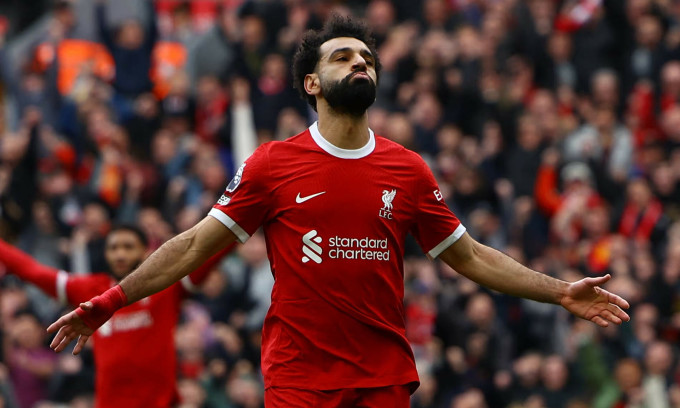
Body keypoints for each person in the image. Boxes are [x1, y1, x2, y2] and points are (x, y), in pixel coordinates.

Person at [48, 15, 630, 408]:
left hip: (382, 376)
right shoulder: (272, 164)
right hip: (299, 378)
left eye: (368, 58)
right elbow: (195, 244)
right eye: (345, 56)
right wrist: (108, 301)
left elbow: (472, 257)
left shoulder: (409, 169)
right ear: (312, 83)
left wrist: (559, 292)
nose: (361, 64)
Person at [0, 225, 231, 408]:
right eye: (113, 248)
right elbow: (32, 270)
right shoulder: (91, 289)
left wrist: (246, 218)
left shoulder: (168, 285)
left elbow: (211, 250)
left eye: (128, 246)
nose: (120, 254)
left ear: (146, 252)